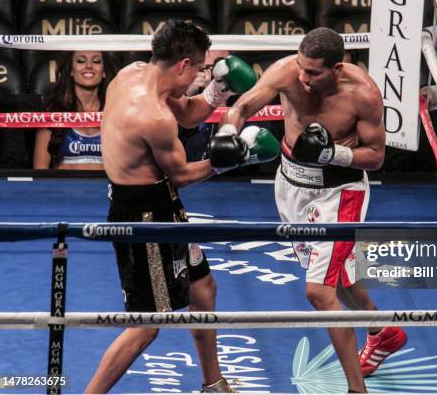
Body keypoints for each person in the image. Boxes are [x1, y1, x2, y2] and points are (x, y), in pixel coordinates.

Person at [86, 20, 279, 393]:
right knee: (146, 325)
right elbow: (180, 175)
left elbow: (190, 114)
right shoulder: (153, 117)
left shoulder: (133, 74)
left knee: (202, 288)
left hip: (161, 204)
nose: (203, 74)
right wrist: (234, 159)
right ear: (183, 65)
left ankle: (213, 383)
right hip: (144, 217)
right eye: (202, 69)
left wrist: (217, 91)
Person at [219, 27, 407, 392]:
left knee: (319, 292)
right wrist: (229, 133)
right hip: (290, 186)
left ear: (337, 68)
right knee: (339, 275)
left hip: (339, 194)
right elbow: (243, 105)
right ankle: (382, 333)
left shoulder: (363, 94)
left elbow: (377, 157)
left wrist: (331, 152)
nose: (303, 78)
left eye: (313, 72)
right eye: (301, 68)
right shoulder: (289, 70)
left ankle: (356, 389)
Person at [33, 51, 117, 170]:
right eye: (81, 61)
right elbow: (40, 170)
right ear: (71, 71)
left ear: (103, 72)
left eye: (96, 61)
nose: (89, 66)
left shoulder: (116, 111)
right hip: (63, 188)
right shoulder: (52, 112)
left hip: (107, 188)